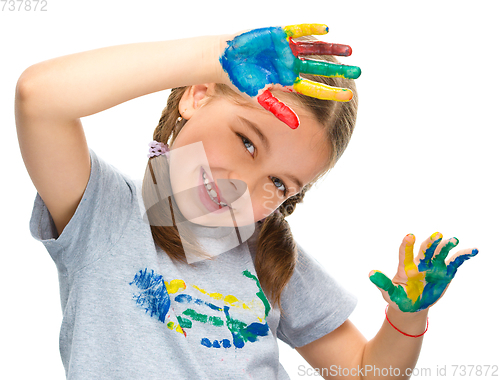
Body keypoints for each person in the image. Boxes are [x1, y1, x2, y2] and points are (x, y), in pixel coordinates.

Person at [15, 24, 478, 379]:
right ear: (197, 95)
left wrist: (407, 317)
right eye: (248, 142)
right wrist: (210, 58)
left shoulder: (270, 256)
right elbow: (39, 98)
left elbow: (362, 371)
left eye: (278, 184)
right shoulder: (103, 212)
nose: (245, 186)